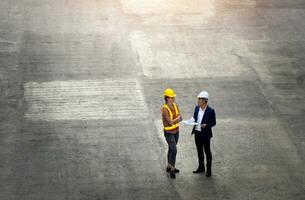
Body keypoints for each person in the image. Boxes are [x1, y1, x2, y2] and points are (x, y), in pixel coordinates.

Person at [191, 91, 216, 177]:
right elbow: (194, 118)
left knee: (207, 152)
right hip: (197, 133)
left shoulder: (210, 111)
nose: (198, 101)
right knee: (199, 151)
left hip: (205, 135)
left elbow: (213, 123)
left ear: (205, 100)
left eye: (199, 99)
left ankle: (208, 169)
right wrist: (189, 122)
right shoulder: (197, 108)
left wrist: (206, 125)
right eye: (198, 99)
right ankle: (201, 167)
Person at [161, 88, 182, 179]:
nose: (173, 98)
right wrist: (176, 119)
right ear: (167, 98)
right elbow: (170, 121)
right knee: (174, 150)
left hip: (176, 131)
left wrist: (176, 119)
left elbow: (181, 117)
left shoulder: (175, 105)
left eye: (173, 97)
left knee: (171, 148)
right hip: (169, 132)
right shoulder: (164, 109)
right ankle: (172, 169)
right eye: (172, 97)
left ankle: (169, 166)